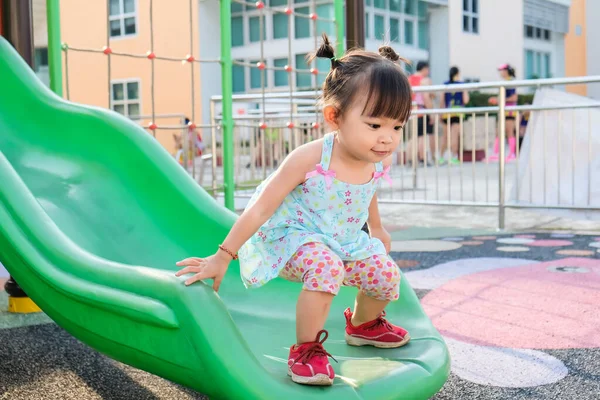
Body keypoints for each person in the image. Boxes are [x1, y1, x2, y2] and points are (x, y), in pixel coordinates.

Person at [175, 33, 411, 387]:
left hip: (343, 238)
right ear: (335, 116)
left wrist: (376, 228)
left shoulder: (374, 157)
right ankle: (305, 349)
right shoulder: (311, 157)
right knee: (325, 265)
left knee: (385, 274)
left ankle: (362, 326)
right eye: (375, 125)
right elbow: (260, 207)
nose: (387, 137)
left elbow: (369, 190)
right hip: (291, 240)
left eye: (397, 126)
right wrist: (224, 255)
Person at [488, 64, 518, 162]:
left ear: (506, 71)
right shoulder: (505, 82)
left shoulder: (510, 83)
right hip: (503, 110)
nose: (501, 73)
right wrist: (497, 100)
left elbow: (514, 97)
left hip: (509, 111)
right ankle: (496, 153)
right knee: (499, 132)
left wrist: (501, 100)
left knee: (509, 132)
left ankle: (512, 154)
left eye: (502, 70)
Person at [439, 66, 469, 165]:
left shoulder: (445, 84)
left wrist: (440, 114)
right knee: (454, 136)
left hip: (446, 113)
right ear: (458, 74)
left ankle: (441, 157)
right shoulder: (461, 85)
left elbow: (442, 101)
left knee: (445, 137)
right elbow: (466, 100)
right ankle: (454, 157)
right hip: (457, 113)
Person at [407, 61, 434, 165]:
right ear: (424, 68)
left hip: (411, 111)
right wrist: (431, 113)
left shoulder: (409, 79)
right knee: (422, 137)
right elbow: (426, 97)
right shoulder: (424, 80)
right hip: (421, 110)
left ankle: (409, 159)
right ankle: (422, 158)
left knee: (412, 137)